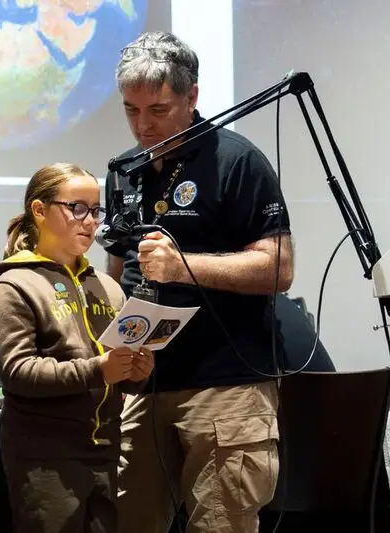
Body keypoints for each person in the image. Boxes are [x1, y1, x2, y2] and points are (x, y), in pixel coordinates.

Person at [103, 32, 294, 533]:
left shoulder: (237, 161)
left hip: (225, 385)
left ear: (192, 98)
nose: (143, 126)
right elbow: (117, 273)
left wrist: (185, 265)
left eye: (159, 110)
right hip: (144, 382)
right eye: (131, 110)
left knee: (220, 526)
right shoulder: (125, 170)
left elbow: (279, 267)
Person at [0, 163, 155, 533]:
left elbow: (116, 373)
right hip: (45, 460)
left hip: (105, 452)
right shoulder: (12, 286)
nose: (90, 221)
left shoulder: (107, 287)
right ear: (39, 211)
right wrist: (98, 370)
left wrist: (135, 374)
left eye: (96, 211)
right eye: (77, 208)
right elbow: (19, 374)